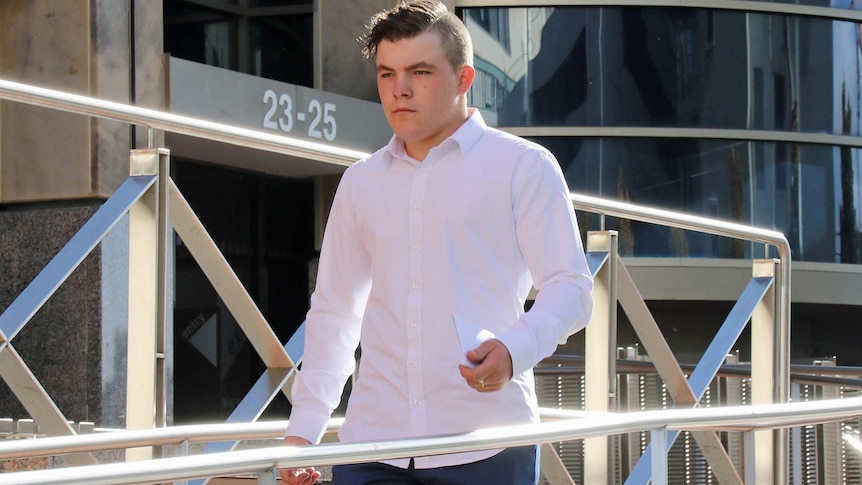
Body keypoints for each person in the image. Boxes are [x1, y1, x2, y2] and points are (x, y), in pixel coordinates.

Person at [279, 1, 593, 484]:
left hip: (486, 445)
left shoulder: (523, 167)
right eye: (387, 74)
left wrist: (515, 350)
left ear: (465, 79)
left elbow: (571, 288)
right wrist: (303, 432)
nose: (399, 90)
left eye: (420, 72)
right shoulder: (360, 183)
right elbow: (335, 313)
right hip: (371, 448)